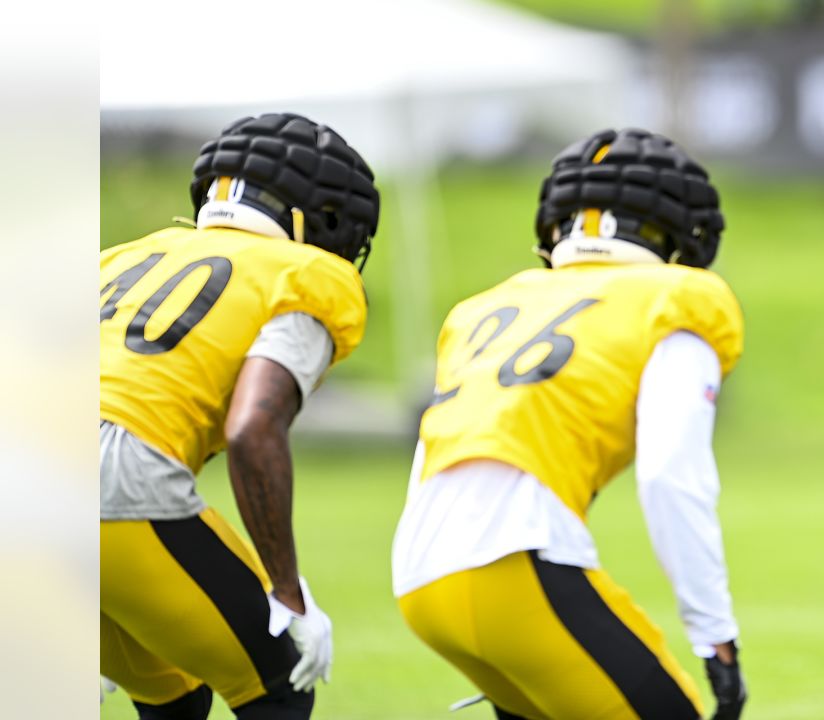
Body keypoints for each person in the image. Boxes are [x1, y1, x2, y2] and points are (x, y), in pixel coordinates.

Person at [391, 127, 748, 720]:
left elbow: (433, 450)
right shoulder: (676, 300)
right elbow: (668, 477)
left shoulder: (484, 307)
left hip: (419, 578)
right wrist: (714, 631)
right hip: (515, 561)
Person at [100, 112, 379, 719]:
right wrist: (288, 592)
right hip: (115, 479)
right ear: (320, 217)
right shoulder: (309, 274)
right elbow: (254, 428)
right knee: (280, 678)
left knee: (170, 689)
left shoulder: (122, 257)